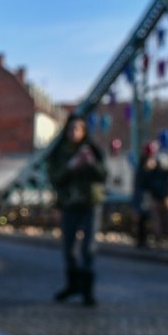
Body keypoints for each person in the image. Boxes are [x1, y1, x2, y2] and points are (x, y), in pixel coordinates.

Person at [47, 114, 106, 306]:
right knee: (69, 247)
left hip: (90, 202)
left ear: (84, 131)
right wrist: (71, 166)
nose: (75, 133)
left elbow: (103, 175)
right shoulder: (59, 152)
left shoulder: (92, 150)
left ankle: (88, 291)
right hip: (69, 204)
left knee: (88, 247)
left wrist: (91, 163)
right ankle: (72, 285)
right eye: (71, 129)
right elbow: (55, 179)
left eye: (78, 129)